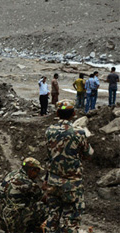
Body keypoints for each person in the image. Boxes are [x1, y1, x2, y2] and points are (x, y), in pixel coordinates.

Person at [45, 100, 93, 233]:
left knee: (52, 216)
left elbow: (49, 154)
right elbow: (88, 154)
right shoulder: (79, 132)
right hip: (72, 184)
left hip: (53, 181)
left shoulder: (49, 131)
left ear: (57, 113)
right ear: (74, 113)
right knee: (71, 219)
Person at [0, 157, 47, 233]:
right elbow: (45, 199)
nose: (37, 175)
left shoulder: (12, 174)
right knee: (46, 207)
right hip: (11, 224)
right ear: (31, 170)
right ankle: (29, 229)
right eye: (37, 172)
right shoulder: (28, 183)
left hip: (0, 219)